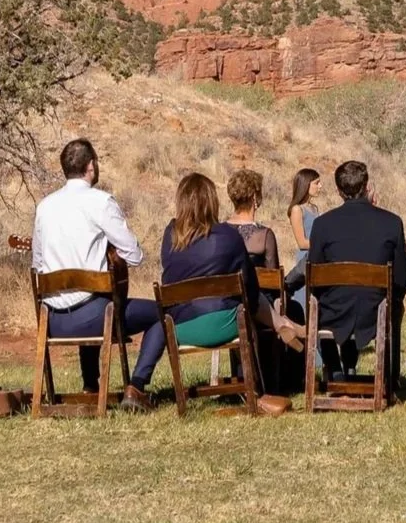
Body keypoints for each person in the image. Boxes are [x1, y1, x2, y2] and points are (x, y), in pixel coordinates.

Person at [130, 172, 287, 415]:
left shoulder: (171, 235)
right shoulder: (228, 236)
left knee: (162, 318)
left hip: (180, 328)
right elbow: (251, 289)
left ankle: (138, 385)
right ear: (212, 200)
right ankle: (252, 389)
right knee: (246, 310)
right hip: (226, 324)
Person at [30, 137, 161, 405]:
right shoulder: (100, 202)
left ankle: (91, 386)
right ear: (91, 167)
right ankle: (136, 386)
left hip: (52, 321)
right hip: (95, 318)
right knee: (162, 313)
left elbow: (37, 263)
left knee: (83, 295)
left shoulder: (44, 206)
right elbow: (134, 256)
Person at [305, 159, 406, 393]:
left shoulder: (322, 224)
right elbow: (403, 275)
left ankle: (335, 368)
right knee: (395, 305)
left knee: (318, 306)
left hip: (333, 311)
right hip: (376, 310)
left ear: (338, 190)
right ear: (366, 186)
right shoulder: (391, 222)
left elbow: (313, 273)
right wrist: (392, 297)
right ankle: (387, 378)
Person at [225, 167, 306, 389]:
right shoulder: (264, 235)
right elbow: (273, 279)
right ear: (255, 198)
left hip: (229, 303)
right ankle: (291, 380)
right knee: (296, 310)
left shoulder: (220, 232)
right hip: (260, 302)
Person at [282, 166, 323, 298]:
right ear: (306, 184)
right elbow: (301, 243)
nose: (320, 186)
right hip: (304, 261)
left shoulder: (314, 208)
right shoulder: (297, 210)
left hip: (316, 257)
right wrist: (321, 244)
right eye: (316, 183)